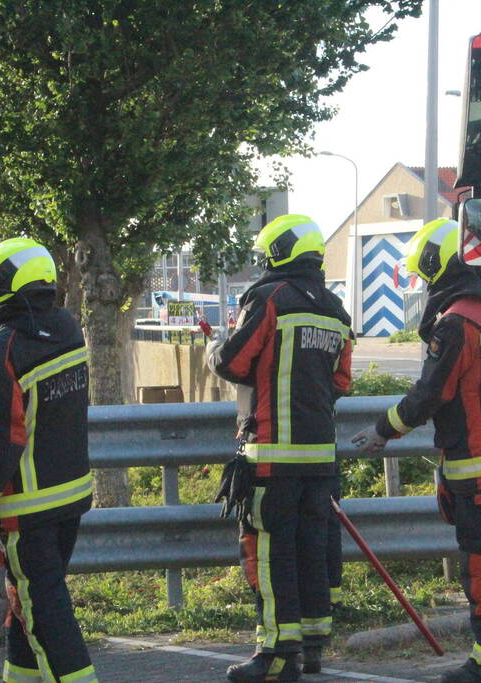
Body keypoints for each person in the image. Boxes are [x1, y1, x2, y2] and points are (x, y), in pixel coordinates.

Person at [351, 218, 481, 683]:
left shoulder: (458, 321)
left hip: (477, 469)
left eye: (424, 275)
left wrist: (383, 430)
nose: (424, 286)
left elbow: (431, 393)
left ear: (439, 266)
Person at [208, 214, 353, 682]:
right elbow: (341, 381)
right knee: (313, 548)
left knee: (271, 552)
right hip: (320, 458)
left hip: (272, 455)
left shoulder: (269, 298)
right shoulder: (336, 310)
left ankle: (274, 654)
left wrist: (213, 349)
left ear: (277, 253)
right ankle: (311, 646)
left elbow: (233, 362)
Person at [0, 237, 97, 683]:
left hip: (26, 509)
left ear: (3, 286)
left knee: (47, 614)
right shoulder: (68, 327)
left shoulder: (4, 348)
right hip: (71, 497)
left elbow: (1, 439)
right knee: (26, 602)